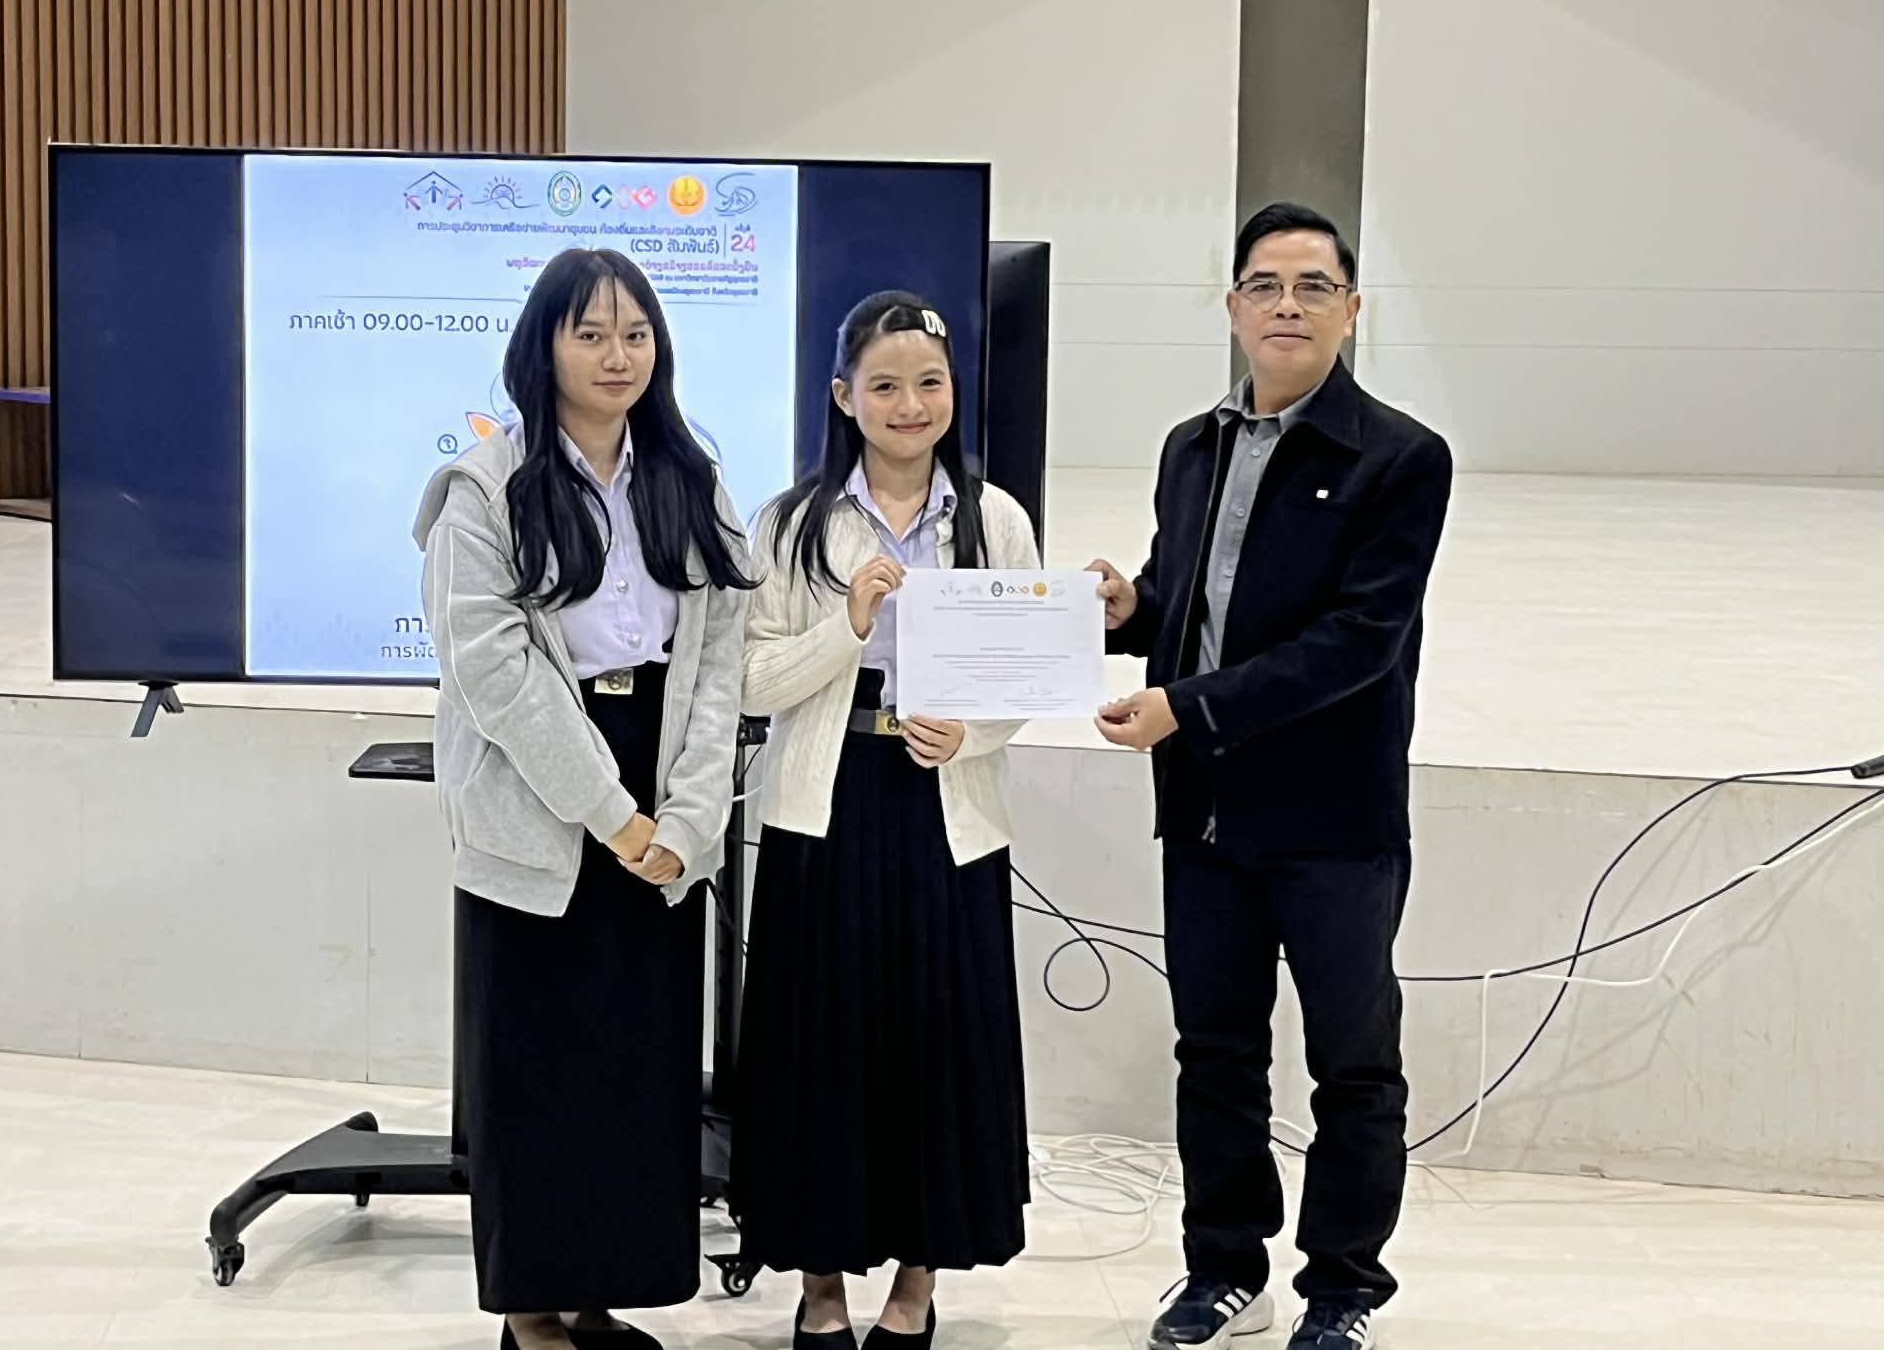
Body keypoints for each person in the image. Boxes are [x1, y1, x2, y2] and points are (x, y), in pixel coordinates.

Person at [1089, 204, 1453, 1350]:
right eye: (1263, 285)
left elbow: (1357, 644)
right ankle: (1221, 1270)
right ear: (1232, 307)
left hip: (1334, 820)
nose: (1284, 305)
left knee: (1352, 1066)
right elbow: (1185, 599)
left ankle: (1341, 1289)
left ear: (1351, 310)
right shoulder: (1189, 447)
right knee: (1215, 1056)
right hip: (1205, 812)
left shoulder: (1399, 458)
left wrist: (1184, 709)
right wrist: (1127, 611)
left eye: (1310, 286)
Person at [413, 247, 753, 1350]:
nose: (618, 355)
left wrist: (689, 819)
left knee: (634, 1068)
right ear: (544, 347)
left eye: (635, 334)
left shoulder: (689, 478)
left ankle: (598, 1296)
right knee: (533, 1065)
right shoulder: (486, 487)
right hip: (542, 790)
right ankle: (531, 1311)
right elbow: (494, 670)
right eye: (591, 333)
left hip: (664, 782)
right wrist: (613, 815)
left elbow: (719, 659)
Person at [733, 291, 1041, 1350]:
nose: (910, 405)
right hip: (823, 808)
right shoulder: (791, 522)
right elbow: (750, 680)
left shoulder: (995, 519)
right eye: (885, 385)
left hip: (946, 809)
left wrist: (972, 734)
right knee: (819, 1048)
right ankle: (819, 1285)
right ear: (843, 396)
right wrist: (848, 624)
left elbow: (1023, 670)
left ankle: (916, 1282)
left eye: (929, 384)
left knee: (936, 1045)